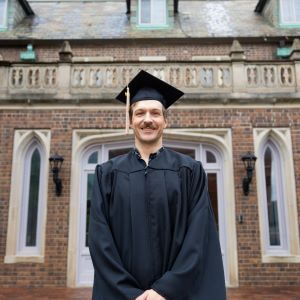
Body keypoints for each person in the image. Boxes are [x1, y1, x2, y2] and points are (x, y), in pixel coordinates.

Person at [88, 70, 226, 300]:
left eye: (155, 113)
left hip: (175, 294)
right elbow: (100, 239)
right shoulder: (108, 174)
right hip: (123, 294)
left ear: (165, 121)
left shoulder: (189, 171)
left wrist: (164, 290)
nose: (148, 119)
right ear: (130, 120)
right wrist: (130, 292)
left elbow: (198, 236)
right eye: (140, 113)